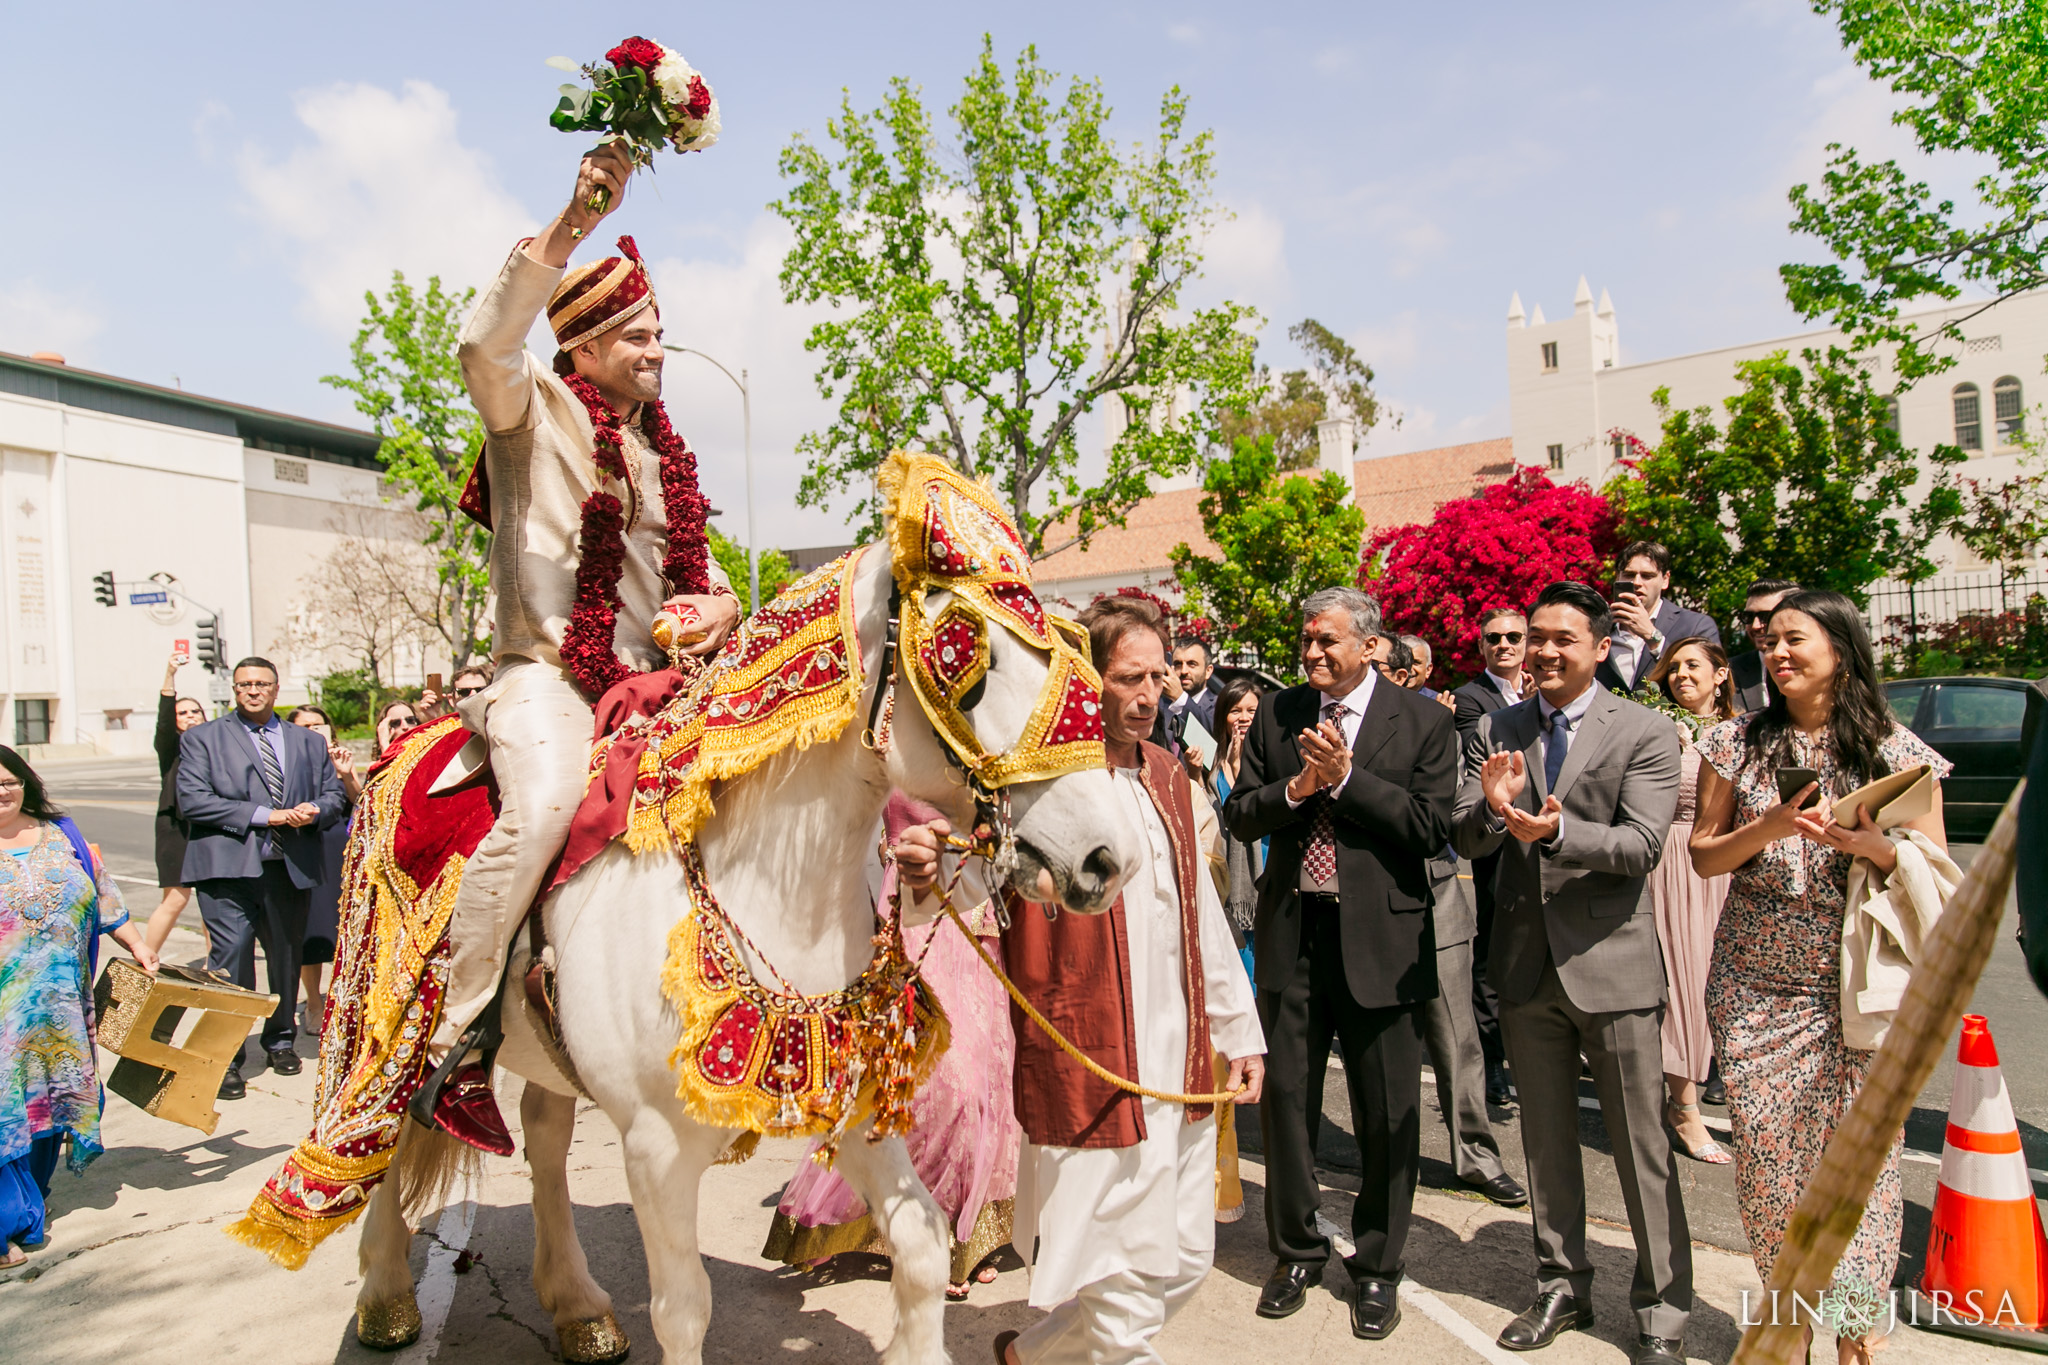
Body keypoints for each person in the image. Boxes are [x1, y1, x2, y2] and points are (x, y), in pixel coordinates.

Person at [429, 140, 735, 1154]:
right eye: (639, 338)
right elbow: (485, 346)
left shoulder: (662, 453)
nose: (657, 351)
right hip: (548, 680)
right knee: (551, 800)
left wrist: (717, 613)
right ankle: (459, 1037)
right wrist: (571, 224)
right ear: (588, 349)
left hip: (661, 684)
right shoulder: (534, 412)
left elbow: (706, 581)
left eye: (661, 335)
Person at [897, 594, 1261, 1365]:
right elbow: (970, 882)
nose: (1149, 695)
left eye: (1158, 677)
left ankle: (1034, 1354)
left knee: (1187, 1257)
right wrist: (934, 869)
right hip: (1090, 1059)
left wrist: (1239, 1029)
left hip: (1182, 1063)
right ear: (1083, 680)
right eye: (1130, 677)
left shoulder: (1169, 776)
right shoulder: (1037, 787)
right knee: (1120, 1284)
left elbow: (1206, 920)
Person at [1690, 590, 1951, 1364]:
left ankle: (1856, 1331)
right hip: (1753, 991)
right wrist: (1770, 823)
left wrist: (1872, 846)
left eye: (1794, 639)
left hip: (1857, 993)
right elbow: (1704, 854)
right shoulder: (1733, 742)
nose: (1776, 654)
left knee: (1863, 1170)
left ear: (1842, 647)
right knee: (1771, 1170)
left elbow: (1938, 874)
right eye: (1768, 643)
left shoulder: (1898, 753)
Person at [1452, 582, 1691, 1365]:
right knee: (1548, 1145)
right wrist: (1491, 811)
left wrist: (1558, 833)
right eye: (1536, 637)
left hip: (1612, 966)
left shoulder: (1646, 731)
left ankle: (1660, 1308)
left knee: (1641, 1149)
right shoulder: (1499, 725)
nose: (1546, 651)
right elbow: (1468, 834)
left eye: (1563, 638)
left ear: (1597, 648)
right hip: (1526, 968)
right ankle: (1562, 1281)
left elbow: (1642, 846)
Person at [1225, 586, 1456, 1341]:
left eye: (1328, 642)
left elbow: (1429, 827)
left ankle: (1379, 1266)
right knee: (1287, 1101)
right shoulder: (1278, 712)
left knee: (1388, 1111)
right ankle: (1294, 1251)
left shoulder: (1421, 720)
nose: (1313, 653)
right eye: (1307, 641)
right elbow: (1241, 812)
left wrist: (1350, 784)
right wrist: (1299, 786)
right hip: (1294, 934)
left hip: (1382, 944)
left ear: (1369, 644)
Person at [0, 746, 159, 1265]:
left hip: (64, 1008)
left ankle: (31, 1203)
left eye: (9, 780)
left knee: (51, 1105)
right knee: (7, 1110)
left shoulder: (62, 834)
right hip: (5, 1013)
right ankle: (7, 1221)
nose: (2, 791)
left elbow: (106, 898)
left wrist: (138, 945)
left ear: (26, 781)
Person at [178, 657, 349, 1101]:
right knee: (231, 960)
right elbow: (193, 801)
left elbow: (334, 796)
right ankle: (227, 1056)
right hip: (228, 870)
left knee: (286, 959)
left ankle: (279, 1040)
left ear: (276, 689)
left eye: (262, 684)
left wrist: (314, 811)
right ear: (234, 690)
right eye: (244, 685)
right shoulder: (203, 738)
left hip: (287, 867)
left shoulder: (306, 743)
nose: (253, 691)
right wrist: (265, 815)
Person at [1640, 639, 1737, 1165]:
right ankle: (1685, 1107)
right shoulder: (1656, 728)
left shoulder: (1747, 731)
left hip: (1728, 868)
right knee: (1681, 985)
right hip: (1670, 865)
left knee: (1722, 988)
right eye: (1672, 668)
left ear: (1721, 675)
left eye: (1692, 666)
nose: (1679, 675)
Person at [1453, 606, 1529, 1108]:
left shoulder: (1546, 693)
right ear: (1482, 647)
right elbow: (1477, 774)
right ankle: (1493, 1060)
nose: (1504, 644)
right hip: (1495, 839)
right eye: (1494, 638)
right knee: (1489, 957)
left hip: (1546, 845)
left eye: (1514, 636)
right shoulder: (1470, 701)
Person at [287, 705, 357, 1039]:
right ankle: (313, 1003)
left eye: (319, 725)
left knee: (344, 929)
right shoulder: (287, 762)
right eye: (305, 727)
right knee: (311, 930)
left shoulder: (340, 759)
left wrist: (345, 773)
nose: (314, 731)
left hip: (340, 850)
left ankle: (341, 1002)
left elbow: (360, 803)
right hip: (306, 849)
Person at [145, 648, 210, 959]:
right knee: (176, 897)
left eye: (194, 712)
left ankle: (217, 963)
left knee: (214, 899)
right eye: (182, 713)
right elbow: (163, 720)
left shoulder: (216, 744)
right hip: (175, 827)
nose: (189, 716)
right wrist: (170, 675)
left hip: (209, 825)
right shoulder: (171, 747)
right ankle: (145, 956)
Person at [1596, 541, 1721, 695]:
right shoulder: (1597, 625)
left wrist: (1652, 636)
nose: (1637, 583)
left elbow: (1710, 681)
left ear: (1665, 579)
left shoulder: (1695, 626)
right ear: (1618, 577)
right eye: (1629, 575)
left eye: (1647, 576)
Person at [1208, 676, 1265, 980]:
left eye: (1251, 710)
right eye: (1235, 710)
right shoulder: (1211, 764)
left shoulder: (1274, 762)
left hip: (1264, 876)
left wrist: (1243, 772)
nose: (1243, 718)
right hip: (1229, 882)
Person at [1729, 579, 1800, 713]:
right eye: (1748, 617)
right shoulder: (1728, 673)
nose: (1755, 626)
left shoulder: (1822, 669)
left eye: (1765, 616)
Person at [1169, 636, 1222, 739]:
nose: (1184, 671)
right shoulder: (1160, 706)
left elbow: (1213, 738)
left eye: (1192, 664)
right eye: (1178, 664)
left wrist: (1180, 699)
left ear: (1208, 671)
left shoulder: (1220, 706)